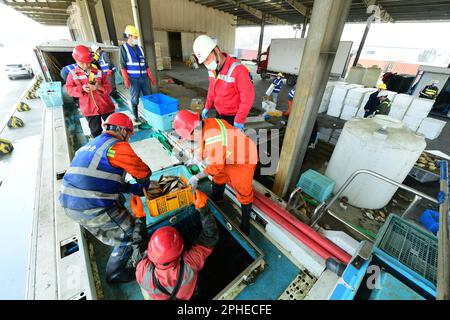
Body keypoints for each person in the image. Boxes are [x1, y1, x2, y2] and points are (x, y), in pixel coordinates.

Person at [59, 112, 152, 283]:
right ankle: (115, 274)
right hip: (89, 204)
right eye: (129, 134)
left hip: (69, 199)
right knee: (130, 234)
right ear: (122, 131)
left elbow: (98, 177)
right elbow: (143, 172)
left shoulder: (91, 144)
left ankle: (114, 231)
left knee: (121, 205)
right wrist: (144, 186)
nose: (129, 138)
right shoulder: (118, 146)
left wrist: (130, 188)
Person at [173, 110, 258, 236]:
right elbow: (204, 143)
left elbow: (215, 166)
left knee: (243, 190)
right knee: (218, 178)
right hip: (228, 155)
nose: (188, 139)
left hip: (244, 158)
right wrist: (196, 159)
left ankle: (245, 225)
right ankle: (217, 200)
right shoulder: (206, 123)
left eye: (187, 136)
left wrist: (196, 177)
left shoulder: (214, 141)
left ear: (194, 130)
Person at [135, 190, 219, 300]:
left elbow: (138, 246)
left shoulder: (142, 272)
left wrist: (139, 217)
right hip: (189, 294)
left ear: (151, 252)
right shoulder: (190, 264)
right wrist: (203, 209)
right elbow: (210, 237)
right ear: (180, 251)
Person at [193, 35, 254, 129]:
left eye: (207, 59)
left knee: (231, 142)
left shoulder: (238, 70)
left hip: (233, 117)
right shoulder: (212, 69)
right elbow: (211, 89)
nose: (207, 64)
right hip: (219, 113)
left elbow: (247, 97)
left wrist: (239, 120)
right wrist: (207, 106)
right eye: (204, 62)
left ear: (216, 50)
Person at [66, 45, 116, 138]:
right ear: (76, 60)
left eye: (87, 62)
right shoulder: (72, 74)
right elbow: (69, 90)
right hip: (89, 110)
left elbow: (109, 88)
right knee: (96, 131)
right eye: (82, 63)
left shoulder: (99, 72)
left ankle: (114, 145)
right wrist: (81, 89)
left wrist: (99, 87)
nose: (85, 65)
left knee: (113, 129)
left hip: (106, 106)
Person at [120, 25, 157, 123]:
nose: (136, 39)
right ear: (129, 36)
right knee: (135, 99)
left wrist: (151, 77)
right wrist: (126, 79)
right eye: (135, 37)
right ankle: (136, 116)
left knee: (148, 97)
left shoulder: (140, 48)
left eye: (136, 37)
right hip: (133, 79)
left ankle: (151, 116)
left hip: (144, 79)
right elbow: (123, 66)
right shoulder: (124, 48)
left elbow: (146, 65)